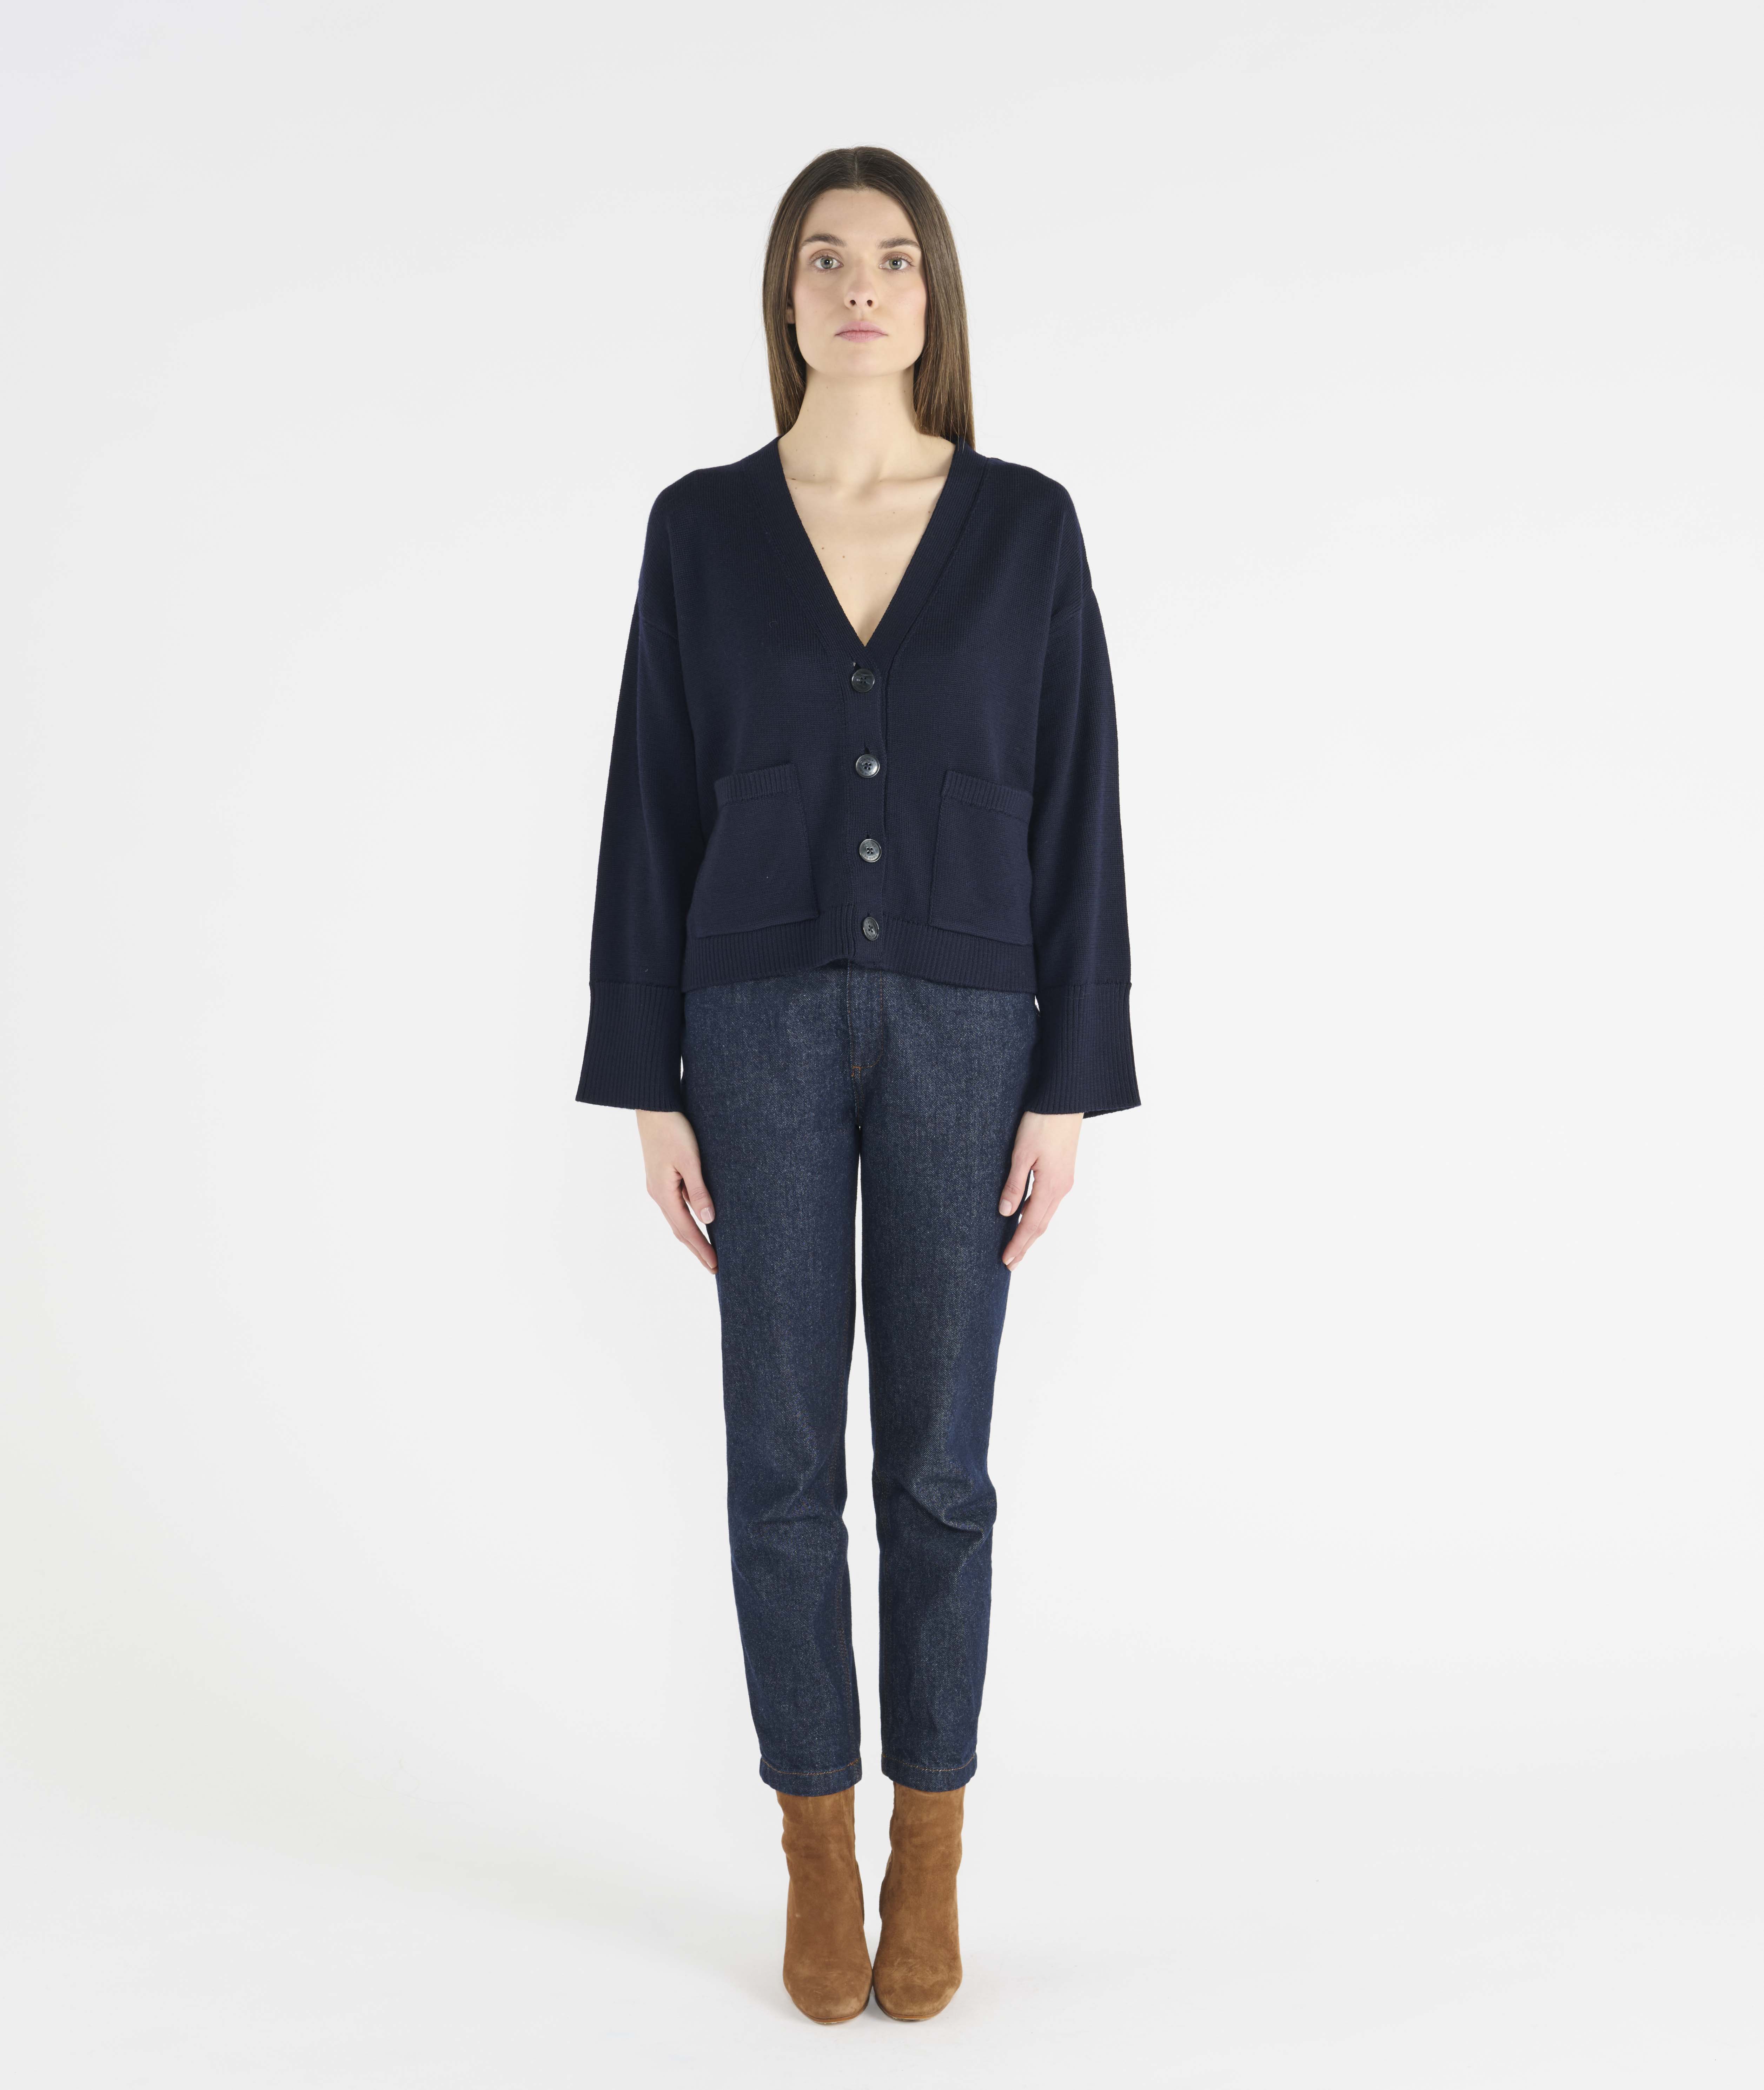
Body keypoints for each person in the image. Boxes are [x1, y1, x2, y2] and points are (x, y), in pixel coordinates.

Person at [574, 144, 1140, 2024]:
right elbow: (650, 800)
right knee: (779, 1464)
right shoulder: (701, 529)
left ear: (934, 293)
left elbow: (1079, 808)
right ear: (787, 295)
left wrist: (1066, 1080)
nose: (861, 287)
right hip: (747, 1025)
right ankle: (816, 1849)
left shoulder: (1026, 528)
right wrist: (649, 1081)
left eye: (893, 258)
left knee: (940, 1470)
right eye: (826, 259)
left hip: (973, 1033)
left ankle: (931, 1851)